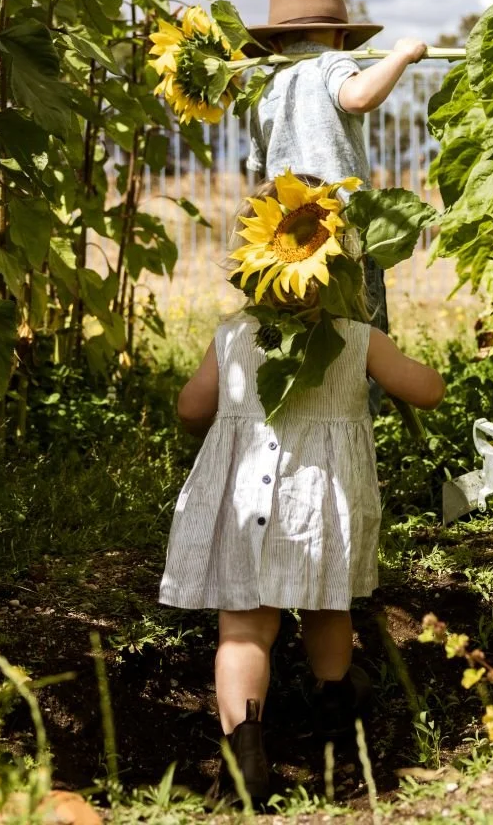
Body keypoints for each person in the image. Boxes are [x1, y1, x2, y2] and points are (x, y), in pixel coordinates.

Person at [159, 172, 445, 805]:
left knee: (242, 630)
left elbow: (188, 407)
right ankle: (336, 705)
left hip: (245, 503)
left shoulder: (232, 338)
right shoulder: (357, 340)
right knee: (325, 607)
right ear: (344, 265)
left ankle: (248, 753)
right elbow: (427, 389)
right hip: (323, 504)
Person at [244, 0, 428, 410]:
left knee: (296, 330)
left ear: (273, 44)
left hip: (286, 238)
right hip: (342, 228)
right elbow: (359, 97)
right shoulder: (330, 63)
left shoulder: (262, 88)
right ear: (342, 36)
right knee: (361, 330)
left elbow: (257, 171)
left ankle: (301, 412)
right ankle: (360, 411)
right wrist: (401, 55)